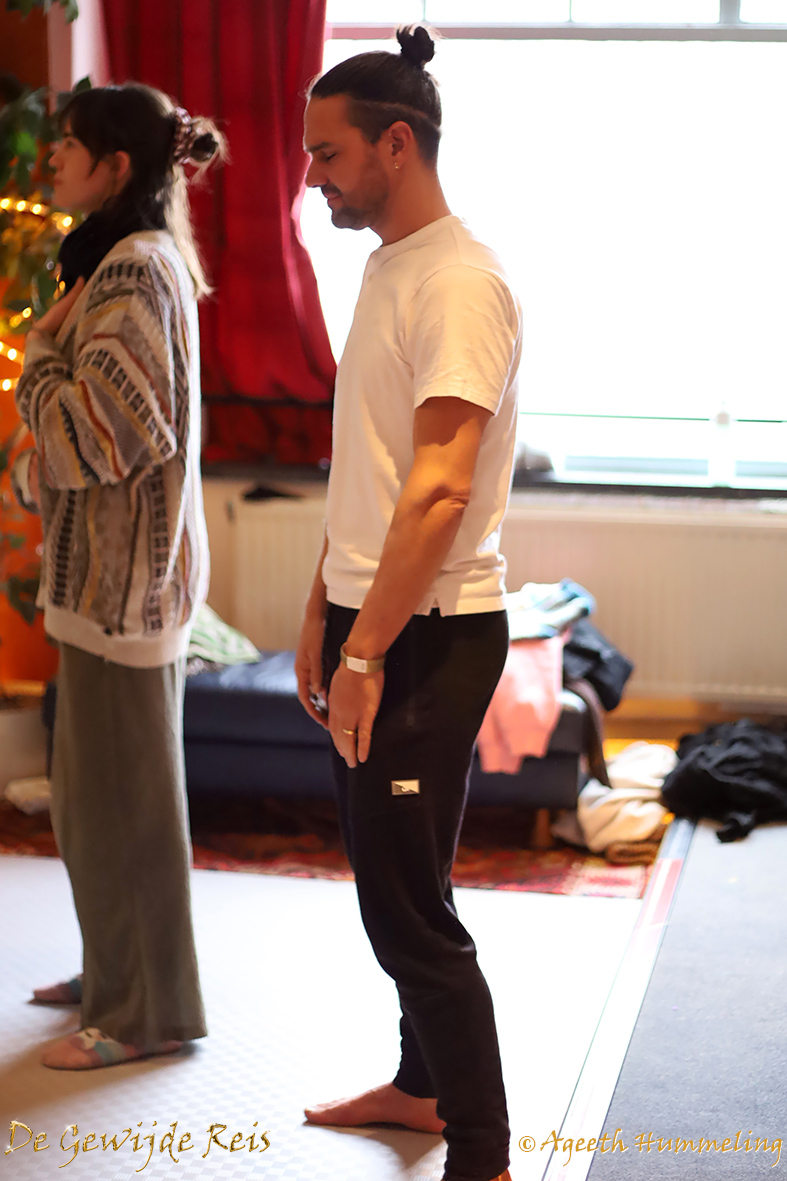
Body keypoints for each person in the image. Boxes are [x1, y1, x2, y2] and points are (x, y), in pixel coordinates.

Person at [295, 26, 521, 1181]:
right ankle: (419, 1086)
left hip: (427, 635)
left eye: (327, 155)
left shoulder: (459, 281)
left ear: (396, 144)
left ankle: (481, 1152)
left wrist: (365, 651)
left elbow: (438, 491)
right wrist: (321, 608)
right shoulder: (388, 266)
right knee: (399, 881)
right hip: (372, 616)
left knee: (406, 912)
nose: (313, 178)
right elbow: (375, 468)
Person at [13, 83, 225, 1070]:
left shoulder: (137, 268)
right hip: (98, 581)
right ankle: (112, 972)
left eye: (71, 144)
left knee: (130, 809)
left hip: (125, 584)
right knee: (88, 801)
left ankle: (147, 1011)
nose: (53, 158)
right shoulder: (119, 259)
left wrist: (35, 363)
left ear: (118, 166)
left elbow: (105, 435)